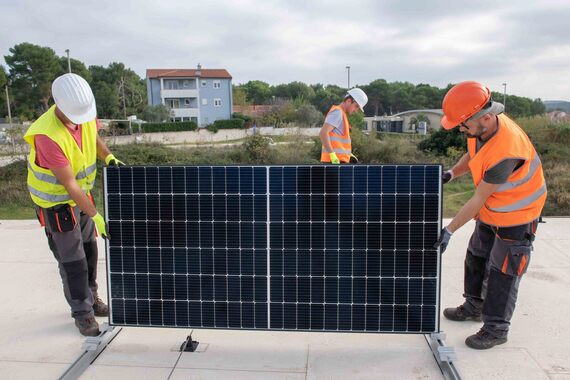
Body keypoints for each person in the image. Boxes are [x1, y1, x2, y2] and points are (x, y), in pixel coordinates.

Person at [434, 81, 546, 349]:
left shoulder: (507, 150)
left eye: (464, 124)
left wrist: (449, 230)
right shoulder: (481, 129)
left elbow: (478, 197)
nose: (462, 129)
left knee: (503, 272)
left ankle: (496, 329)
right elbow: (472, 154)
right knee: (476, 255)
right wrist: (452, 173)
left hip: (518, 215)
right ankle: (474, 306)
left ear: (485, 117)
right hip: (493, 209)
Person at [23, 73, 125, 336]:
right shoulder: (47, 136)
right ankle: (82, 313)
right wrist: (97, 215)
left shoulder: (82, 111)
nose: (82, 121)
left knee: (90, 251)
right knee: (73, 260)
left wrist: (109, 156)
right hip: (56, 203)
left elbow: (92, 136)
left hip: (81, 198)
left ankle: (92, 299)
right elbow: (69, 184)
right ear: (59, 105)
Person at [320, 88, 368, 164]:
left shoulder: (341, 114)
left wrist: (348, 154)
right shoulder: (337, 113)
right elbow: (323, 133)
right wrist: (332, 155)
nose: (356, 110)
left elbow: (339, 141)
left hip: (338, 161)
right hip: (334, 162)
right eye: (356, 106)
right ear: (349, 101)